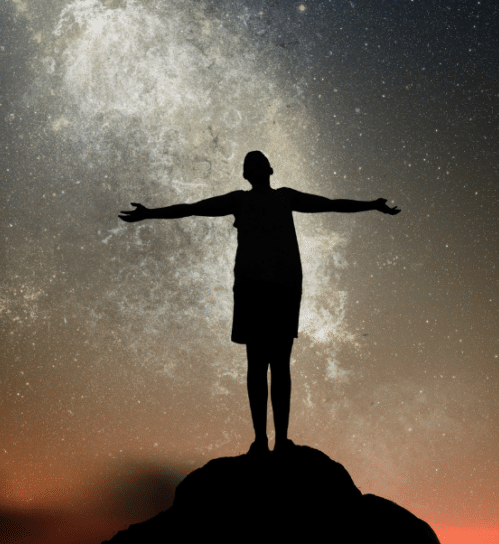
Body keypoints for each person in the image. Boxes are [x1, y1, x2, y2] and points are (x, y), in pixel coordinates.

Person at [118, 150, 400, 456]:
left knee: (278, 364)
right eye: (248, 164)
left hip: (282, 288)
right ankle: (261, 440)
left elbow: (330, 205)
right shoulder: (240, 200)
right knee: (257, 364)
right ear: (245, 174)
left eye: (257, 162)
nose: (253, 166)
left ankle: (279, 441)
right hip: (255, 288)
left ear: (269, 169)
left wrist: (372, 205)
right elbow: (192, 208)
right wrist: (150, 213)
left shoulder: (285, 197)